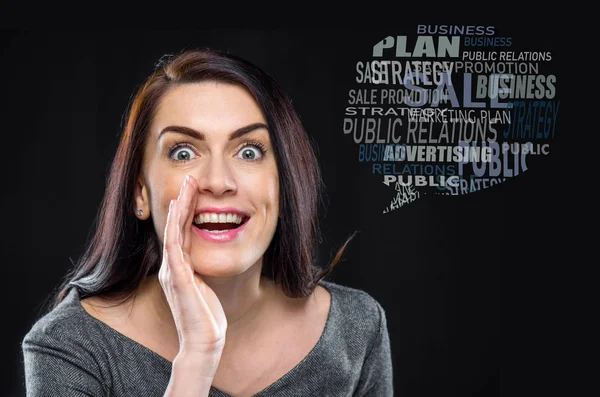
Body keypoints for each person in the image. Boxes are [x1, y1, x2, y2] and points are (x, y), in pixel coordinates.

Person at [21, 48, 393, 397]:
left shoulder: (357, 329)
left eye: (249, 151)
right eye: (184, 152)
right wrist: (196, 359)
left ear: (284, 185)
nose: (218, 180)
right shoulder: (69, 346)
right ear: (140, 193)